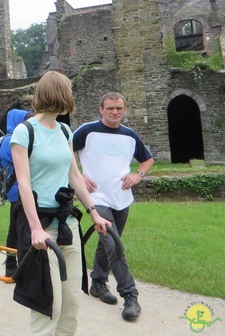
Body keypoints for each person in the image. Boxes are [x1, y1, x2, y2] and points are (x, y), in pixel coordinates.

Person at [11, 71, 111, 335]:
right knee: (48, 307)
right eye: (68, 90)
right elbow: (23, 183)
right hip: (41, 228)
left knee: (70, 306)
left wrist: (94, 213)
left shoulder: (65, 130)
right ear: (60, 94)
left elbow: (74, 176)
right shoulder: (24, 132)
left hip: (68, 225)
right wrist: (34, 228)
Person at [73, 92, 154, 321]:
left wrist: (138, 175)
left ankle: (98, 282)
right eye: (110, 108)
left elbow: (147, 159)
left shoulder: (129, 135)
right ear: (101, 109)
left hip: (122, 198)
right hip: (96, 198)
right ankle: (130, 295)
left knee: (107, 243)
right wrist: (78, 175)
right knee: (114, 243)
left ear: (124, 109)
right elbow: (64, 151)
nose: (115, 112)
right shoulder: (86, 131)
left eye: (119, 108)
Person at [0, 108, 32, 277]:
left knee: (15, 227)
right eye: (25, 120)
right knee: (19, 229)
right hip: (17, 189)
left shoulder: (13, 139)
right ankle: (14, 266)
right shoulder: (9, 141)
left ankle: (12, 265)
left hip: (17, 189)